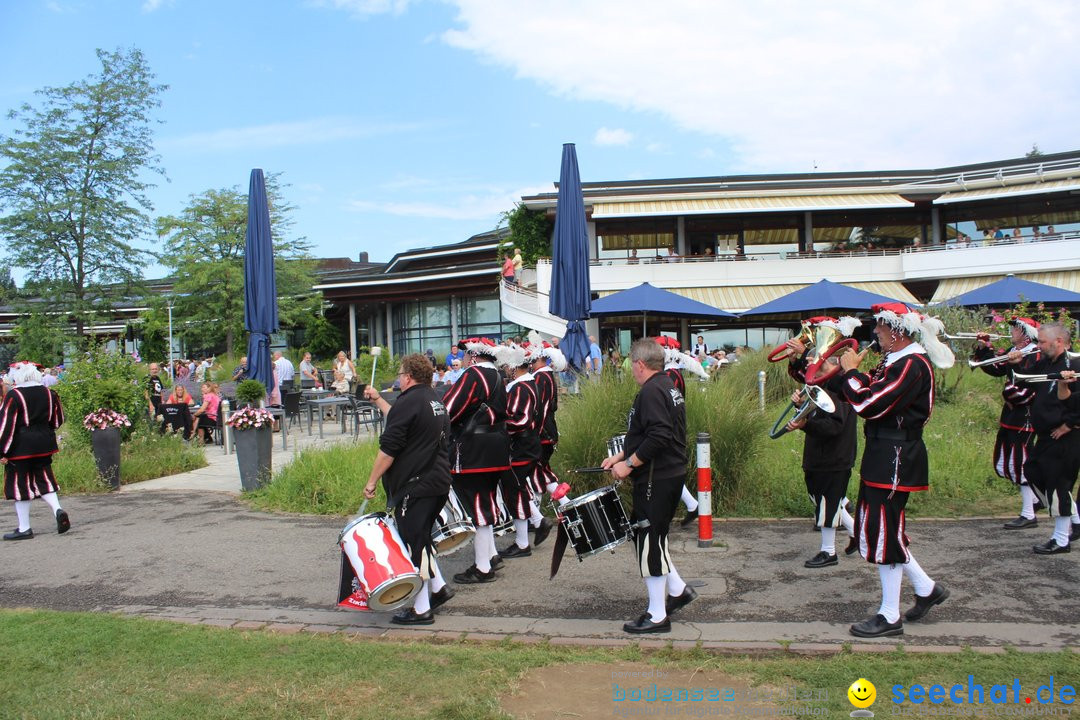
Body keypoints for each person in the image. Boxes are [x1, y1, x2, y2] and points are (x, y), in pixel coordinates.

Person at [838, 303, 954, 638]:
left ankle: (890, 616)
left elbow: (869, 403)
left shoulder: (911, 365)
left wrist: (849, 373)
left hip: (896, 456)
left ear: (897, 331)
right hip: (885, 454)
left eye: (879, 327)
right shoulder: (896, 361)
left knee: (883, 530)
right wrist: (838, 372)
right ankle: (927, 588)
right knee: (882, 528)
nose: (875, 333)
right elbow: (858, 395)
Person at [601, 339, 694, 634]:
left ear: (640, 364)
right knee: (653, 538)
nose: (631, 371)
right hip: (666, 473)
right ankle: (678, 591)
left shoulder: (651, 391)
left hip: (657, 476)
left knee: (649, 541)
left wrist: (629, 465)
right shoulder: (667, 385)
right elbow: (650, 432)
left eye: (632, 365)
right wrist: (620, 455)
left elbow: (659, 436)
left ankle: (657, 616)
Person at [363, 353, 453, 625]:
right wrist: (379, 400)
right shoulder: (434, 399)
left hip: (416, 485)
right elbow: (406, 422)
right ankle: (439, 588)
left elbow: (389, 448)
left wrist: (372, 480)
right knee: (422, 538)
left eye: (400, 374)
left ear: (408, 377)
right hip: (437, 480)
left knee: (415, 543)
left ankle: (421, 609)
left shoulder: (408, 402)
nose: (398, 379)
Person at [784, 319, 860, 568]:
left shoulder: (839, 386)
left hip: (834, 455)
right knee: (827, 498)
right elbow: (807, 382)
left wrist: (805, 423)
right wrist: (800, 406)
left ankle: (829, 551)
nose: (810, 366)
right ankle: (857, 532)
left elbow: (833, 425)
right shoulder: (823, 383)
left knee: (828, 499)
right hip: (821, 454)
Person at [441, 337, 511, 583]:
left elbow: (448, 408)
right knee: (486, 500)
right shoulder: (497, 377)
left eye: (466, 354)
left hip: (473, 449)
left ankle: (482, 568)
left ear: (474, 355)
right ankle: (491, 555)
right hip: (496, 447)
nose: (464, 358)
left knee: (478, 506)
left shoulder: (474, 375)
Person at [971, 318, 1043, 528]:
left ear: (1025, 332)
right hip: (1011, 416)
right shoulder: (1015, 349)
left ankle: (1029, 512)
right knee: (1011, 462)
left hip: (1026, 416)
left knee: (1022, 464)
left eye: (1015, 329)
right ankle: (1036, 501)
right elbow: (996, 368)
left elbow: (1033, 386)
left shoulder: (1034, 353)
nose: (1011, 331)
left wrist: (1010, 392)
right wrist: (985, 349)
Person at [1017, 323, 1080, 554]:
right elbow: (1024, 380)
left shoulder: (1074, 363)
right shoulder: (1047, 362)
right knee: (1032, 471)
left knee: (1058, 484)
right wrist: (1013, 364)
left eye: (1043, 342)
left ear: (1059, 342)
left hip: (1066, 436)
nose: (1039, 346)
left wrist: (1069, 424)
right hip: (1045, 434)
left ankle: (1061, 539)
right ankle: (1074, 518)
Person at [0, 362, 69, 541]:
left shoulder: (14, 395)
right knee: (44, 479)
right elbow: (58, 420)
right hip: (45, 444)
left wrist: (2, 451)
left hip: (20, 447)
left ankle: (24, 528)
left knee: (20, 485)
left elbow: (7, 425)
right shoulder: (50, 393)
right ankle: (58, 510)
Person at [654, 336, 707, 526]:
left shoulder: (669, 376)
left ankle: (665, 514)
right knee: (664, 470)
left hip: (669, 430)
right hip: (673, 428)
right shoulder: (674, 374)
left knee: (664, 472)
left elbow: (666, 406)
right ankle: (692, 505)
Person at [495, 344, 541, 558]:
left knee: (515, 492)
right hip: (527, 445)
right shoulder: (527, 384)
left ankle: (523, 544)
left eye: (507, 366)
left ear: (514, 367)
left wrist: (498, 426)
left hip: (520, 447)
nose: (504, 369)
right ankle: (537, 523)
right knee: (518, 490)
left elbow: (521, 420)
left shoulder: (521, 387)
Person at [525, 342, 563, 535]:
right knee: (540, 472)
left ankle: (538, 518)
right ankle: (564, 507)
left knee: (537, 472)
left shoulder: (541, 376)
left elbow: (540, 408)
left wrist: (534, 432)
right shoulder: (546, 375)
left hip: (542, 433)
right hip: (547, 432)